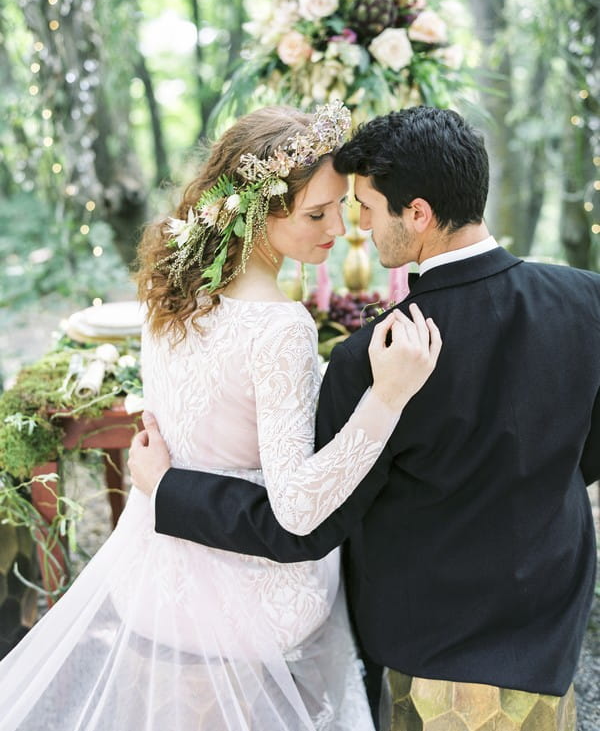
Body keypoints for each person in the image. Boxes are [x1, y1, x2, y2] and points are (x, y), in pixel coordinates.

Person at [129, 106, 600, 731]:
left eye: (368, 210)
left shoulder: (373, 358)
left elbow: (303, 527)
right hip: (550, 624)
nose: (358, 228)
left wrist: (168, 490)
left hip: (423, 641)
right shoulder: (587, 299)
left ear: (419, 214)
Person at [0, 101, 442, 731]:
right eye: (317, 213)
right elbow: (298, 507)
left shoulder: (171, 291)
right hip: (251, 591)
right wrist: (387, 399)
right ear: (258, 214)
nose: (339, 227)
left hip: (154, 567)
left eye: (343, 207)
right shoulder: (280, 326)